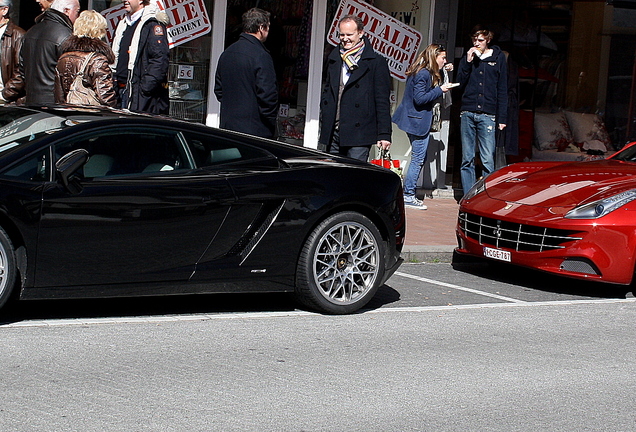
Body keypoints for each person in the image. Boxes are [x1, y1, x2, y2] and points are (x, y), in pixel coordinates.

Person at [319, 14, 392, 162]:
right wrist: (324, 115)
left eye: (349, 34)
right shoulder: (334, 58)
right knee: (332, 177)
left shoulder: (376, 62)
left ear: (360, 33)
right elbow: (328, 92)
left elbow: (382, 100)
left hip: (360, 133)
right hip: (334, 130)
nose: (345, 38)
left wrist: (384, 134)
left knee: (354, 178)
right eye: (342, 34)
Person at [392, 44, 453, 210]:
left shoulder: (424, 71)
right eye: (442, 58)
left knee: (419, 158)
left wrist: (444, 71)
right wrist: (440, 90)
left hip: (414, 120)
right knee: (418, 158)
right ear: (434, 57)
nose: (445, 61)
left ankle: (407, 193)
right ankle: (408, 195)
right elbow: (420, 99)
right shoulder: (424, 73)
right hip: (416, 121)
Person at [456, 27, 508, 195]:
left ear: (488, 41)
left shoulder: (498, 58)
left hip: (488, 113)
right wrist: (468, 61)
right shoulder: (468, 58)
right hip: (468, 112)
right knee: (467, 158)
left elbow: (502, 89)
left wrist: (502, 118)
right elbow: (459, 83)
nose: (476, 44)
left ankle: (486, 195)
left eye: (480, 40)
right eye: (474, 40)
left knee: (487, 158)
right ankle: (468, 195)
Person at [214, 8, 278, 138]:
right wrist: (270, 123)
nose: (268, 31)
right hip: (254, 131)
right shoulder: (261, 55)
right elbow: (268, 96)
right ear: (261, 28)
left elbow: (219, 90)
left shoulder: (227, 53)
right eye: (268, 27)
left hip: (228, 127)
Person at [111, 0, 169, 114]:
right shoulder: (122, 24)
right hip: (121, 91)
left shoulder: (152, 24)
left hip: (139, 95)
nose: (124, 0)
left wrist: (144, 89)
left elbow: (160, 60)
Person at [20, 0, 79, 105]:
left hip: (31, 100)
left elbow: (21, 68)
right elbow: (70, 75)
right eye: (77, 12)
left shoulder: (30, 31)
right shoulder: (66, 36)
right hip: (54, 103)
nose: (77, 17)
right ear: (66, 11)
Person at [54, 10, 116, 107]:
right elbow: (105, 96)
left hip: (69, 111)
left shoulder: (63, 57)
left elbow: (59, 95)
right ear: (99, 31)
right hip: (91, 114)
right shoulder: (97, 59)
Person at [0, 0, 26, 104]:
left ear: (4, 10)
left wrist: (5, 94)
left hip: (7, 101)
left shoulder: (18, 35)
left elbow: (21, 70)